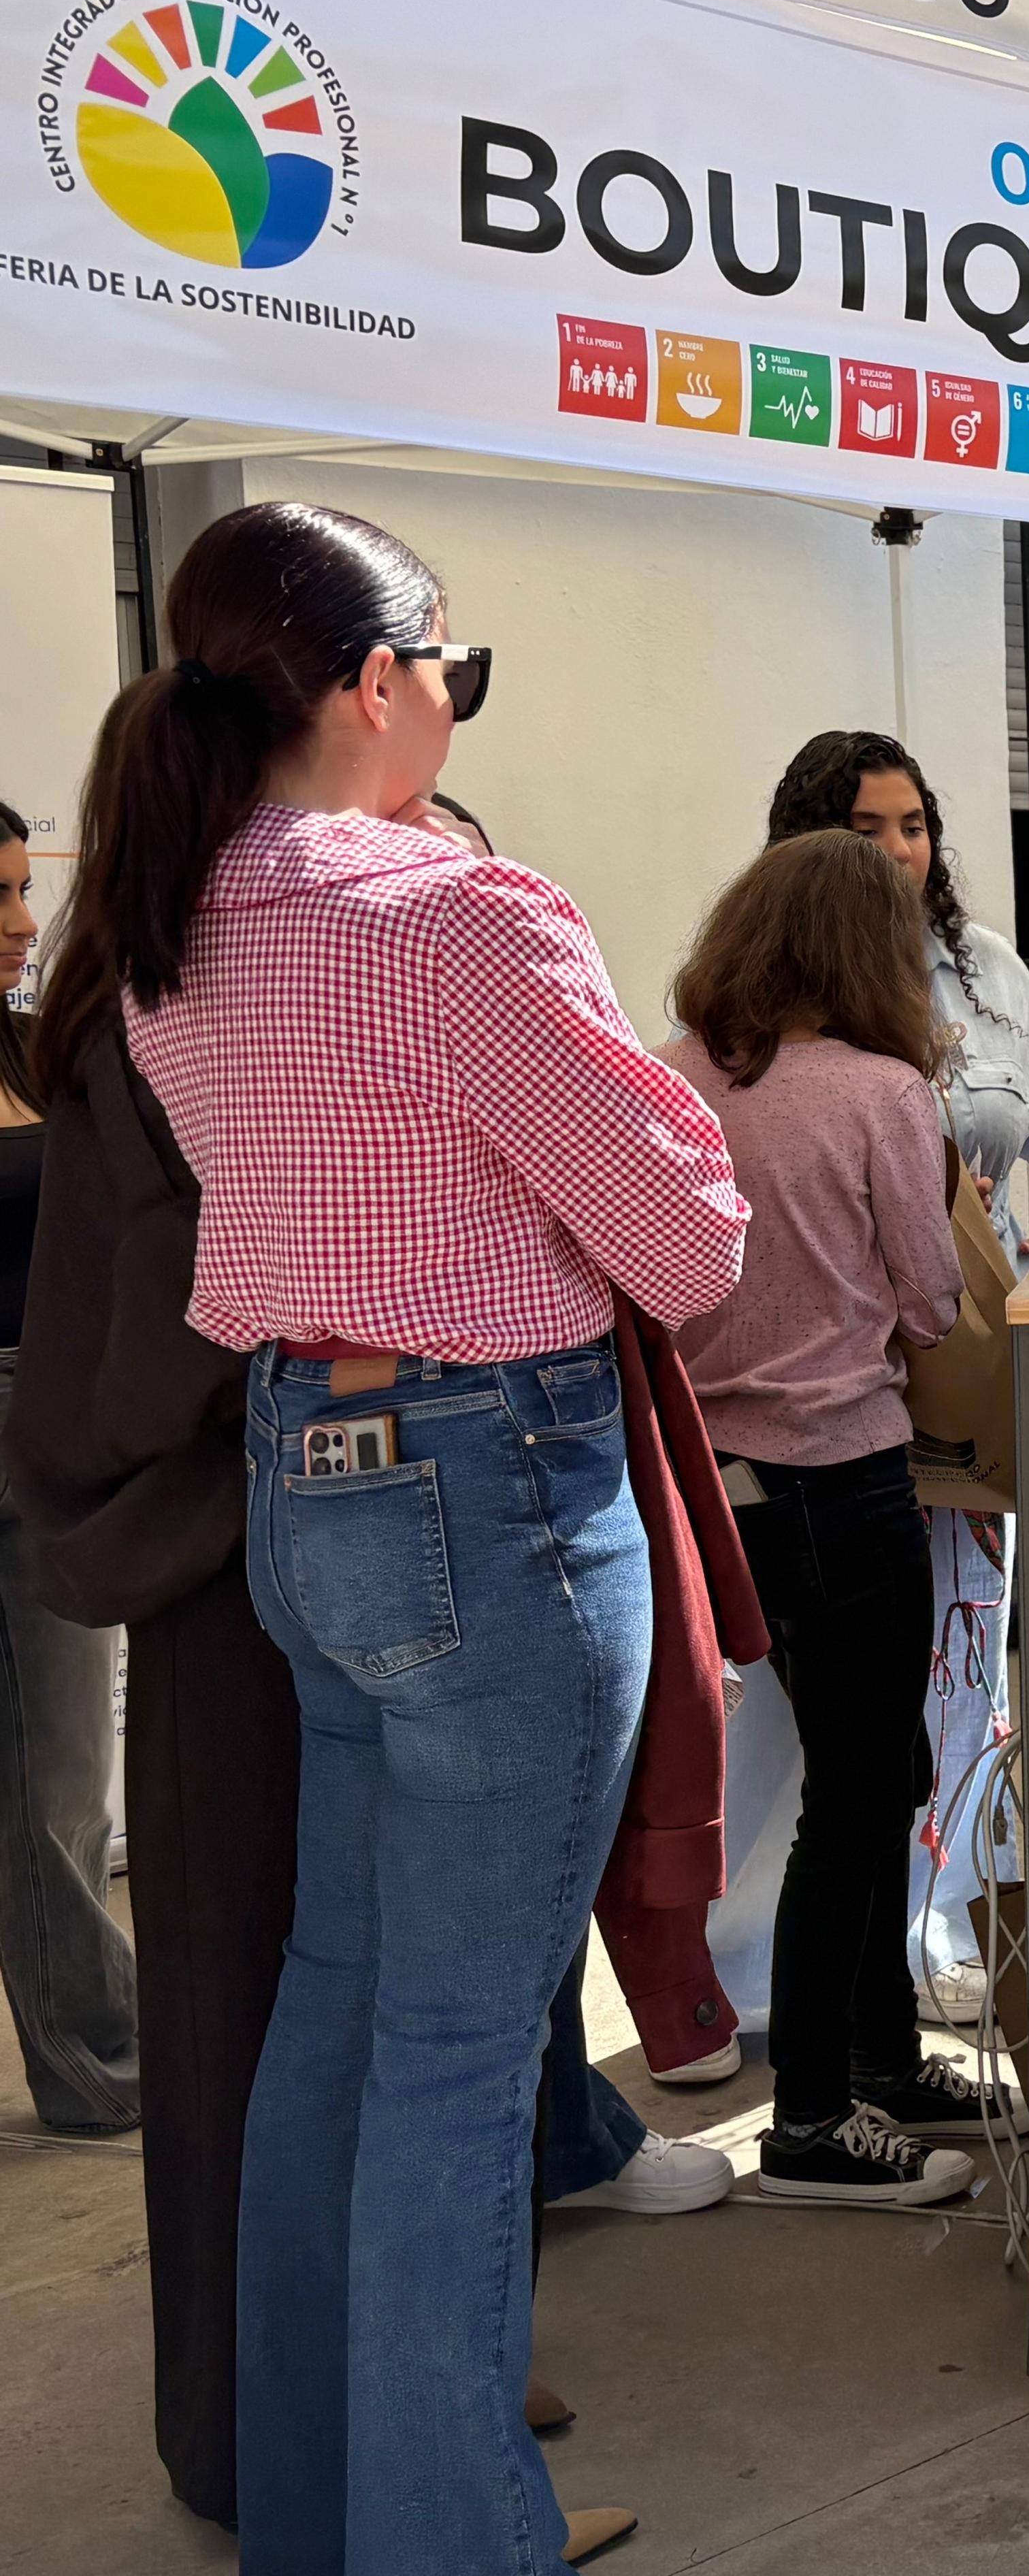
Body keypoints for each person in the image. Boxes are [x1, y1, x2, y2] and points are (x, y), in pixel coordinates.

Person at [38, 498, 748, 2568]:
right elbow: (686, 1239)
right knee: (454, 2056)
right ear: (375, 683)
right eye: (456, 668)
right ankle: (451, 2536)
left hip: (308, 1467)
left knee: (338, 2026)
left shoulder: (173, 917)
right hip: (490, 1478)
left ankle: (325, 2510)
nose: (456, 703)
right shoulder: (451, 912)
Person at [664, 834, 1022, 2205]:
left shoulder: (679, 1074)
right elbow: (931, 1304)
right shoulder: (882, 1093)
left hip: (723, 1490)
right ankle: (813, 2120)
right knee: (865, 1793)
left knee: (856, 1780)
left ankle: (880, 2059)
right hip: (845, 1473)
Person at [766, 731, 1029, 2035]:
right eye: (867, 829)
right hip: (832, 1388)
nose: (899, 851)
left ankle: (940, 1924)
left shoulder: (988, 966)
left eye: (914, 825)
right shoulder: (775, 990)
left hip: (969, 1368)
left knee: (964, 1659)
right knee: (852, 1713)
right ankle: (842, 1975)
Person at [0, 800, 140, 2140]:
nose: (20, 921)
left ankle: (101, 2048)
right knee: (49, 1776)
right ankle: (98, 2053)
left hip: (49, 1422)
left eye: (19, 887)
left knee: (61, 1772)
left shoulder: (37, 1045)